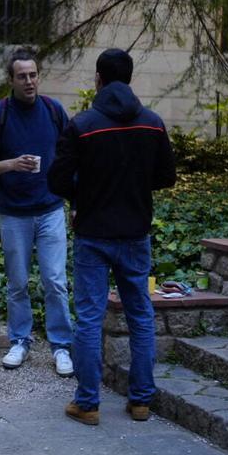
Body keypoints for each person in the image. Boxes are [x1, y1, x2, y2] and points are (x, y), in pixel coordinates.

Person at [48, 48, 176, 425]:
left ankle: (87, 403)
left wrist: (81, 194)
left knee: (89, 317)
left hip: (93, 233)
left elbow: (56, 179)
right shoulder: (152, 123)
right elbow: (166, 177)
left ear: (98, 80)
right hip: (136, 233)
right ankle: (141, 401)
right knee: (140, 314)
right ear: (130, 78)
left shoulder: (83, 125)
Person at [0, 46, 74, 377]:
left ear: (38, 76)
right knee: (17, 282)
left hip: (50, 210)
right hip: (13, 214)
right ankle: (20, 340)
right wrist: (11, 164)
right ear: (11, 80)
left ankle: (61, 346)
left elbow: (72, 156)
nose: (29, 81)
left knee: (55, 281)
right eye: (22, 76)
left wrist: (75, 199)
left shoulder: (54, 111)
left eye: (33, 75)